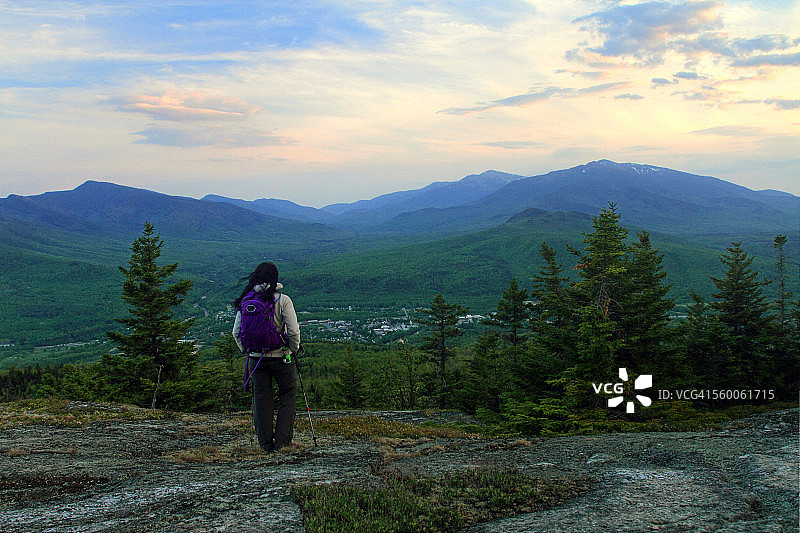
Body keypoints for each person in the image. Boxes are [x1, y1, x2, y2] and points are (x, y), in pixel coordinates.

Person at [232, 262, 301, 453]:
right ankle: (282, 443)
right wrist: (293, 349)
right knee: (287, 394)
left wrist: (246, 350)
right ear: (275, 278)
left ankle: (265, 445)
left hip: (256, 359)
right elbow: (293, 331)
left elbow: (236, 332)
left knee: (262, 399)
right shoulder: (283, 300)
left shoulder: (246, 299)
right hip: (280, 357)